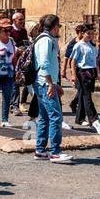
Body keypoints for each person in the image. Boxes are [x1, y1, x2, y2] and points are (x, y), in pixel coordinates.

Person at [32, 14, 72, 163]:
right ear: (55, 27)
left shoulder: (46, 39)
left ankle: (40, 150)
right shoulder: (46, 40)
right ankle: (55, 152)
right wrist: (50, 84)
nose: (59, 29)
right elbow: (44, 64)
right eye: (59, 26)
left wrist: (55, 83)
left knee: (44, 118)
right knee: (56, 116)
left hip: (45, 83)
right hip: (44, 84)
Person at [69, 24, 100, 130]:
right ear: (83, 33)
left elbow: (95, 60)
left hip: (91, 71)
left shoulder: (92, 45)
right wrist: (73, 74)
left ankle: (79, 118)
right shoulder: (79, 45)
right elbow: (73, 60)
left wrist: (98, 73)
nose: (90, 35)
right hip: (82, 72)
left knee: (83, 94)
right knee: (87, 96)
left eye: (92, 33)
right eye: (88, 33)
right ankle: (94, 119)